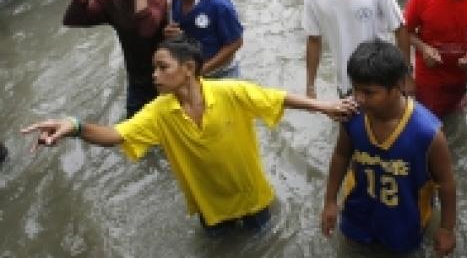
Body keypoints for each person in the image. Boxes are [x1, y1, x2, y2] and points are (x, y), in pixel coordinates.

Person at [23, 35, 357, 236]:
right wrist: (75, 126)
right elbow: (115, 135)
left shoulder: (231, 92)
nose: (154, 75)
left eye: (162, 67)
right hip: (209, 209)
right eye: (153, 68)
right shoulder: (159, 112)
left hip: (253, 198)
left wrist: (323, 105)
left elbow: (278, 97)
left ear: (189, 69)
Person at [321, 39, 456, 256]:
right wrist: (330, 202)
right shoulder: (352, 115)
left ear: (399, 85)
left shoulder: (427, 133)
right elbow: (340, 156)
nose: (359, 98)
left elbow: (447, 183)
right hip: (357, 214)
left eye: (369, 92)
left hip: (404, 222)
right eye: (355, 89)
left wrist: (447, 229)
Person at [63, 0, 167, 117]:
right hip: (137, 78)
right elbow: (73, 18)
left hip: (165, 73)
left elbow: (146, 30)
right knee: (132, 133)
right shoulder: (110, 1)